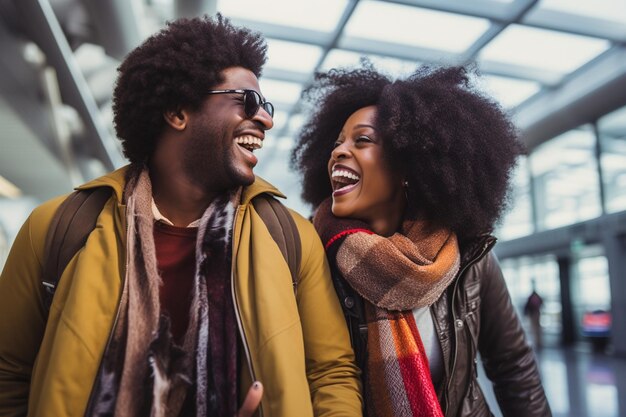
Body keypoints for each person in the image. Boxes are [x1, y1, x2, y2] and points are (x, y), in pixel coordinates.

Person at [0, 15, 362, 417]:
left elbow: (331, 374)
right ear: (177, 112)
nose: (265, 119)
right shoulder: (57, 228)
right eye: (247, 100)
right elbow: (9, 372)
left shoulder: (289, 237)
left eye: (267, 106)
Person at [291, 64, 551, 417]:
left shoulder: (470, 258)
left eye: (362, 140)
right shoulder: (312, 255)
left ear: (408, 168)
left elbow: (513, 365)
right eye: (336, 144)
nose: (338, 152)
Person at [524, 282, 544, 348]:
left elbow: (527, 307)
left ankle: (538, 342)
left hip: (533, 314)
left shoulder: (531, 297)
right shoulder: (536, 296)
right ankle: (538, 342)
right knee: (537, 329)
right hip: (536, 313)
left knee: (535, 329)